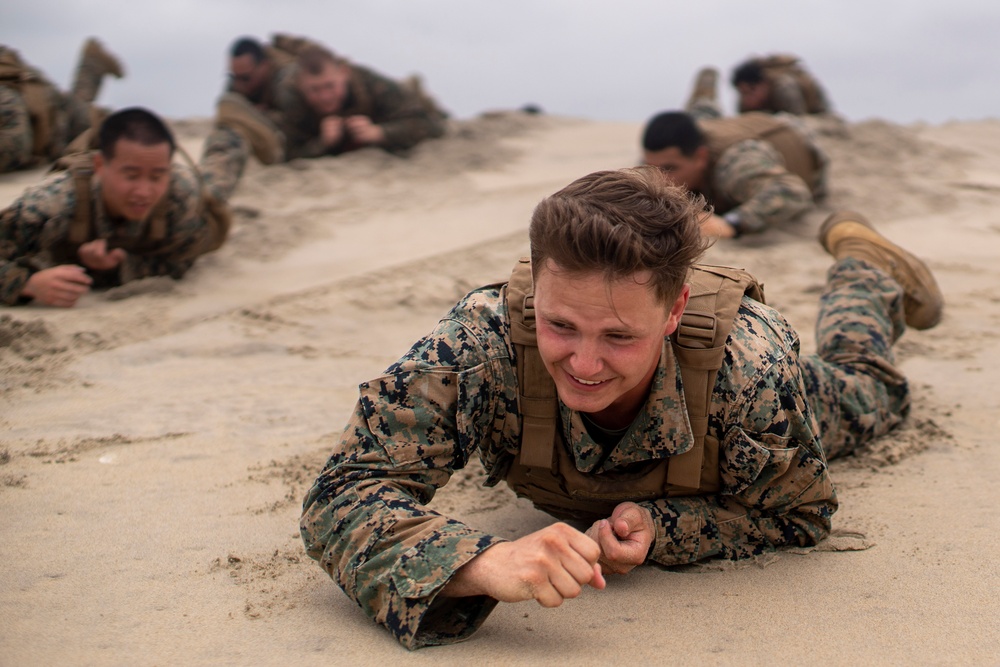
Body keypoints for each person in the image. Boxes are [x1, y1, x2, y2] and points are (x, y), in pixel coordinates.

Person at [299, 166, 944, 649]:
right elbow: (343, 492)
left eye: (618, 336)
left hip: (780, 403)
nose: (583, 364)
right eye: (560, 325)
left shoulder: (750, 369)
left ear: (674, 311)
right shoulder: (482, 341)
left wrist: (666, 528)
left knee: (870, 386)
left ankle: (864, 272)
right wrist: (480, 562)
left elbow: (800, 514)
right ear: (537, 290)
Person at [0, 106, 260, 307]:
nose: (144, 192)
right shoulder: (51, 203)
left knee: (214, 192)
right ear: (101, 166)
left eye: (157, 176)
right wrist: (27, 284)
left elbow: (182, 261)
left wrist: (122, 265)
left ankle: (231, 135)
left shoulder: (180, 194)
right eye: (131, 176)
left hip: (192, 199)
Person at [643, 66, 827, 239]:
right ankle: (706, 94)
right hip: (712, 129)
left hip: (793, 134)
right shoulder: (668, 154)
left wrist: (732, 223)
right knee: (700, 114)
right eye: (651, 168)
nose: (660, 180)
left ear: (700, 157)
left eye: (670, 168)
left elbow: (792, 191)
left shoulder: (736, 165)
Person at [270, 42, 447, 159]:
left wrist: (380, 133)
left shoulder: (370, 84)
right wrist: (322, 143)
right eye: (314, 90)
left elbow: (429, 126)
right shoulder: (292, 99)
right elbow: (288, 155)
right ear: (300, 85)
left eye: (330, 86)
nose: (324, 96)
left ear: (344, 74)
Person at [0, 38, 124, 173]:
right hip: (51, 116)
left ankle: (92, 61)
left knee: (112, 129)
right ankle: (92, 61)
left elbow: (17, 145)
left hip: (59, 119)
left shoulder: (5, 97)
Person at [731, 54, 831, 116]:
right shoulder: (743, 101)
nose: (747, 98)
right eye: (743, 93)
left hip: (814, 108)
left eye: (751, 91)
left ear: (763, 84)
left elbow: (799, 119)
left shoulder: (785, 88)